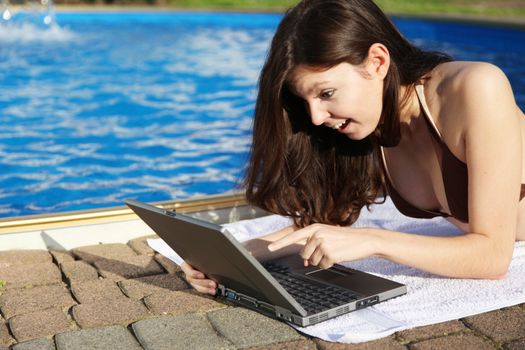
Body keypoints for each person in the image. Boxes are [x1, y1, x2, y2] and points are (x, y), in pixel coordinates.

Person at [182, 0, 525, 295]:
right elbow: (324, 227)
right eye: (306, 100)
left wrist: (375, 240)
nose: (316, 117)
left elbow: (492, 257)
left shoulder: (474, 89)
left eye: (326, 93)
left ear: (377, 62)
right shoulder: (367, 126)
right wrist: (231, 258)